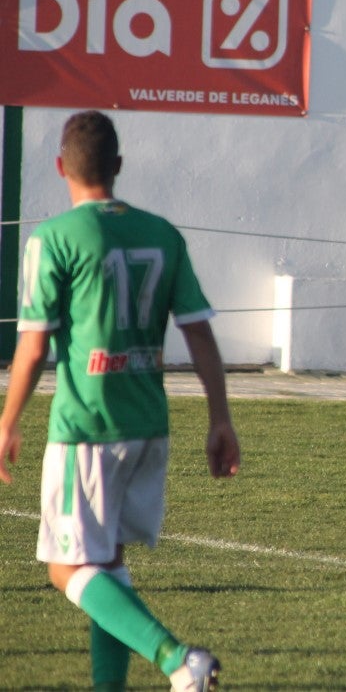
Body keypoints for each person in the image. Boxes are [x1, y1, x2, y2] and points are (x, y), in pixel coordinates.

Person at [0, 111, 240, 691]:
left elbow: (32, 349)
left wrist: (7, 422)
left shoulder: (53, 238)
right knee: (107, 566)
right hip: (148, 426)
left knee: (66, 569)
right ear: (120, 166)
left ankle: (178, 660)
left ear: (61, 167)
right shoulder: (161, 232)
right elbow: (199, 332)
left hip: (86, 427)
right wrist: (220, 418)